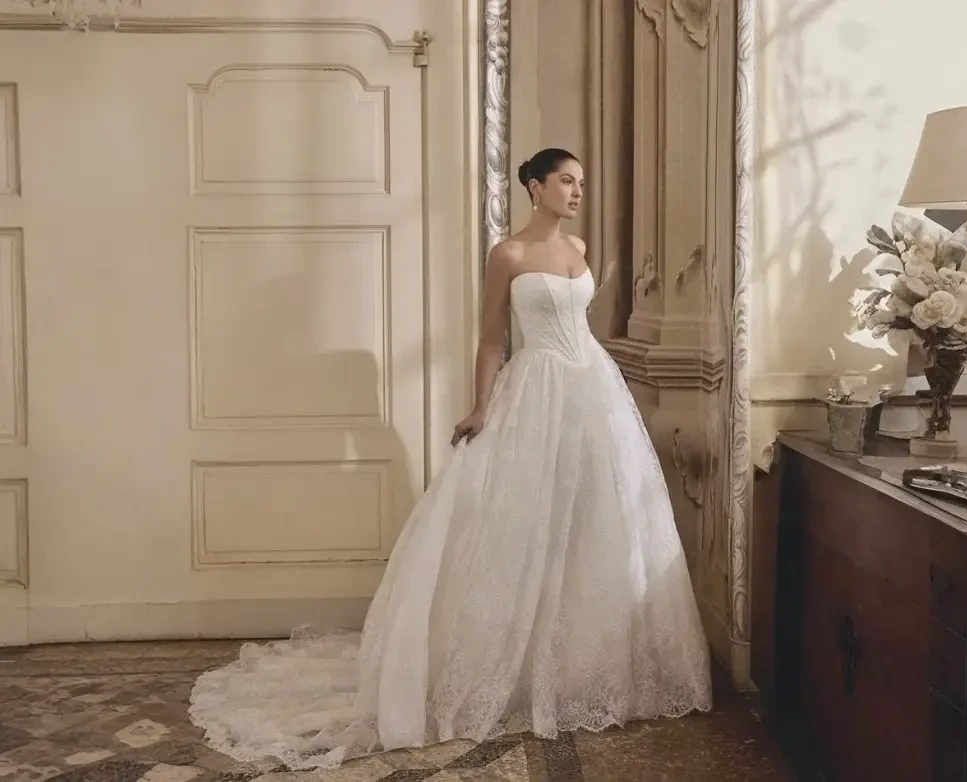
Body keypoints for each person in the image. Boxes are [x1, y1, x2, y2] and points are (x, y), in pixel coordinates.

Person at [188, 147, 713, 770]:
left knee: (599, 523)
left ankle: (579, 670)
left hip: (593, 388)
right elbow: (493, 336)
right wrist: (482, 408)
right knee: (521, 527)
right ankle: (511, 670)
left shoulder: (577, 252)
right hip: (538, 387)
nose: (577, 192)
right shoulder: (508, 256)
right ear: (533, 186)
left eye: (580, 183)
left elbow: (582, 327)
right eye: (565, 182)